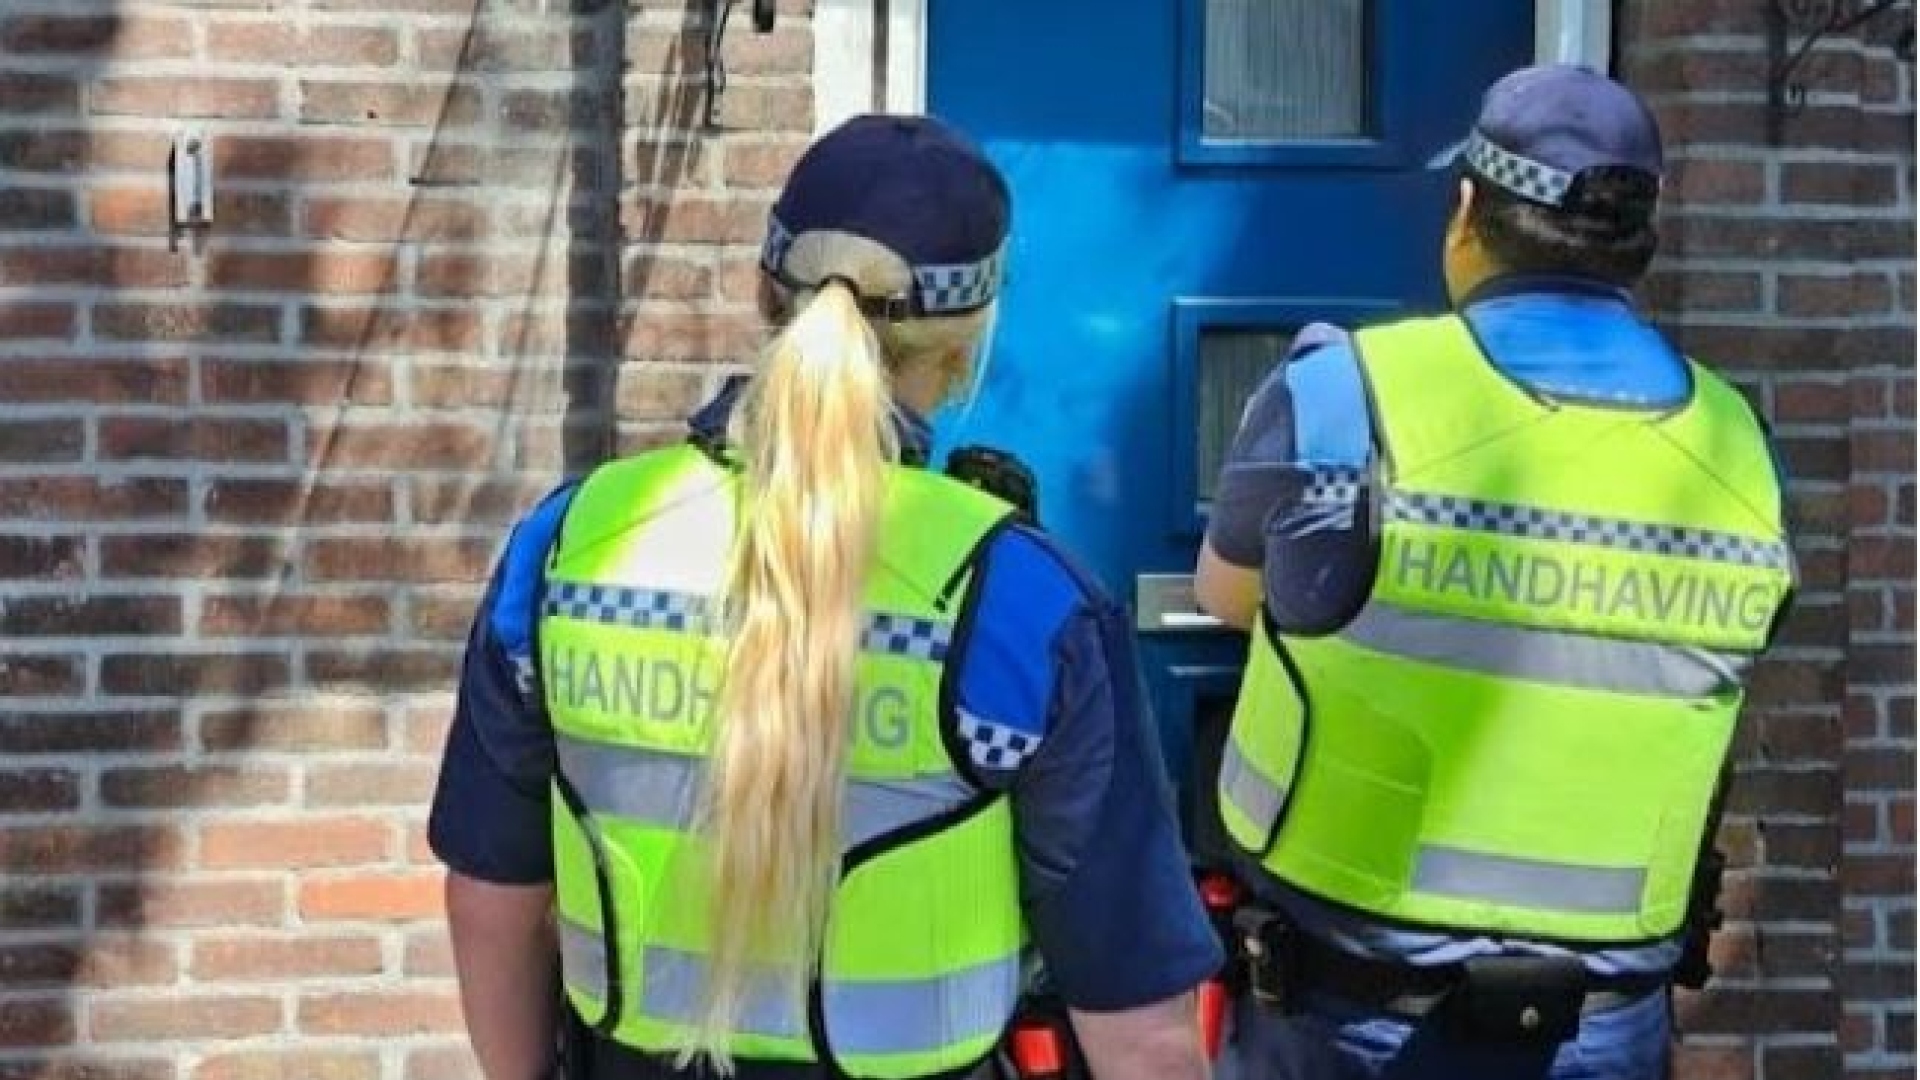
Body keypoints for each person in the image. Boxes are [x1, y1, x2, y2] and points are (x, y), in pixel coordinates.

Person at [429, 114, 1221, 1080]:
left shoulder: (567, 548)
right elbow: (1139, 1030)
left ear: (763, 289)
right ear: (968, 340)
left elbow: (490, 902)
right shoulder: (1023, 601)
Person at [1193, 65, 1794, 1080]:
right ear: (1640, 239)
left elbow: (1229, 593)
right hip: (1605, 1030)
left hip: (1352, 1020)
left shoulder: (1344, 395)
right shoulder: (1740, 451)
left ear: (1467, 208)